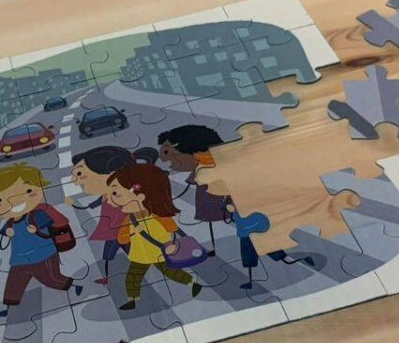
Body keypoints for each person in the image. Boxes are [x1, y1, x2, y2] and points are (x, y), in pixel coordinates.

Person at [158, 123, 263, 290]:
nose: (170, 161)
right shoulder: (202, 163)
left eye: (170, 154)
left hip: (230, 203)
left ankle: (257, 268)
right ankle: (219, 250)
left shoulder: (215, 162)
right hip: (213, 201)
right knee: (235, 229)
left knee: (246, 233)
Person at [0, 163, 83, 316]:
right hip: (19, 259)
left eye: (28, 191)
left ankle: (74, 286)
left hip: (43, 255)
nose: (16, 201)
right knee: (14, 284)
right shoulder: (11, 220)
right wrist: (9, 232)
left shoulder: (37, 214)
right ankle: (8, 309)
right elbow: (6, 235)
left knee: (52, 279)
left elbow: (48, 231)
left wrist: (36, 230)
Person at [105, 163, 203, 311]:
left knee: (172, 272)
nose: (109, 201)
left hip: (162, 252)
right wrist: (128, 234)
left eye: (115, 194)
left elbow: (173, 229)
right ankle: (132, 300)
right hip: (140, 255)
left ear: (140, 196)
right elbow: (122, 238)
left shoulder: (158, 216)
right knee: (132, 278)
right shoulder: (129, 219)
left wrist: (172, 245)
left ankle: (193, 282)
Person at [67, 144, 156, 285]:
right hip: (113, 232)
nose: (74, 180)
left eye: (81, 174)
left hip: (124, 230)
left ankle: (147, 266)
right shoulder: (107, 194)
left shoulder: (125, 193)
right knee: (112, 255)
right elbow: (92, 205)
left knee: (123, 253)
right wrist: (74, 204)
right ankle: (108, 277)